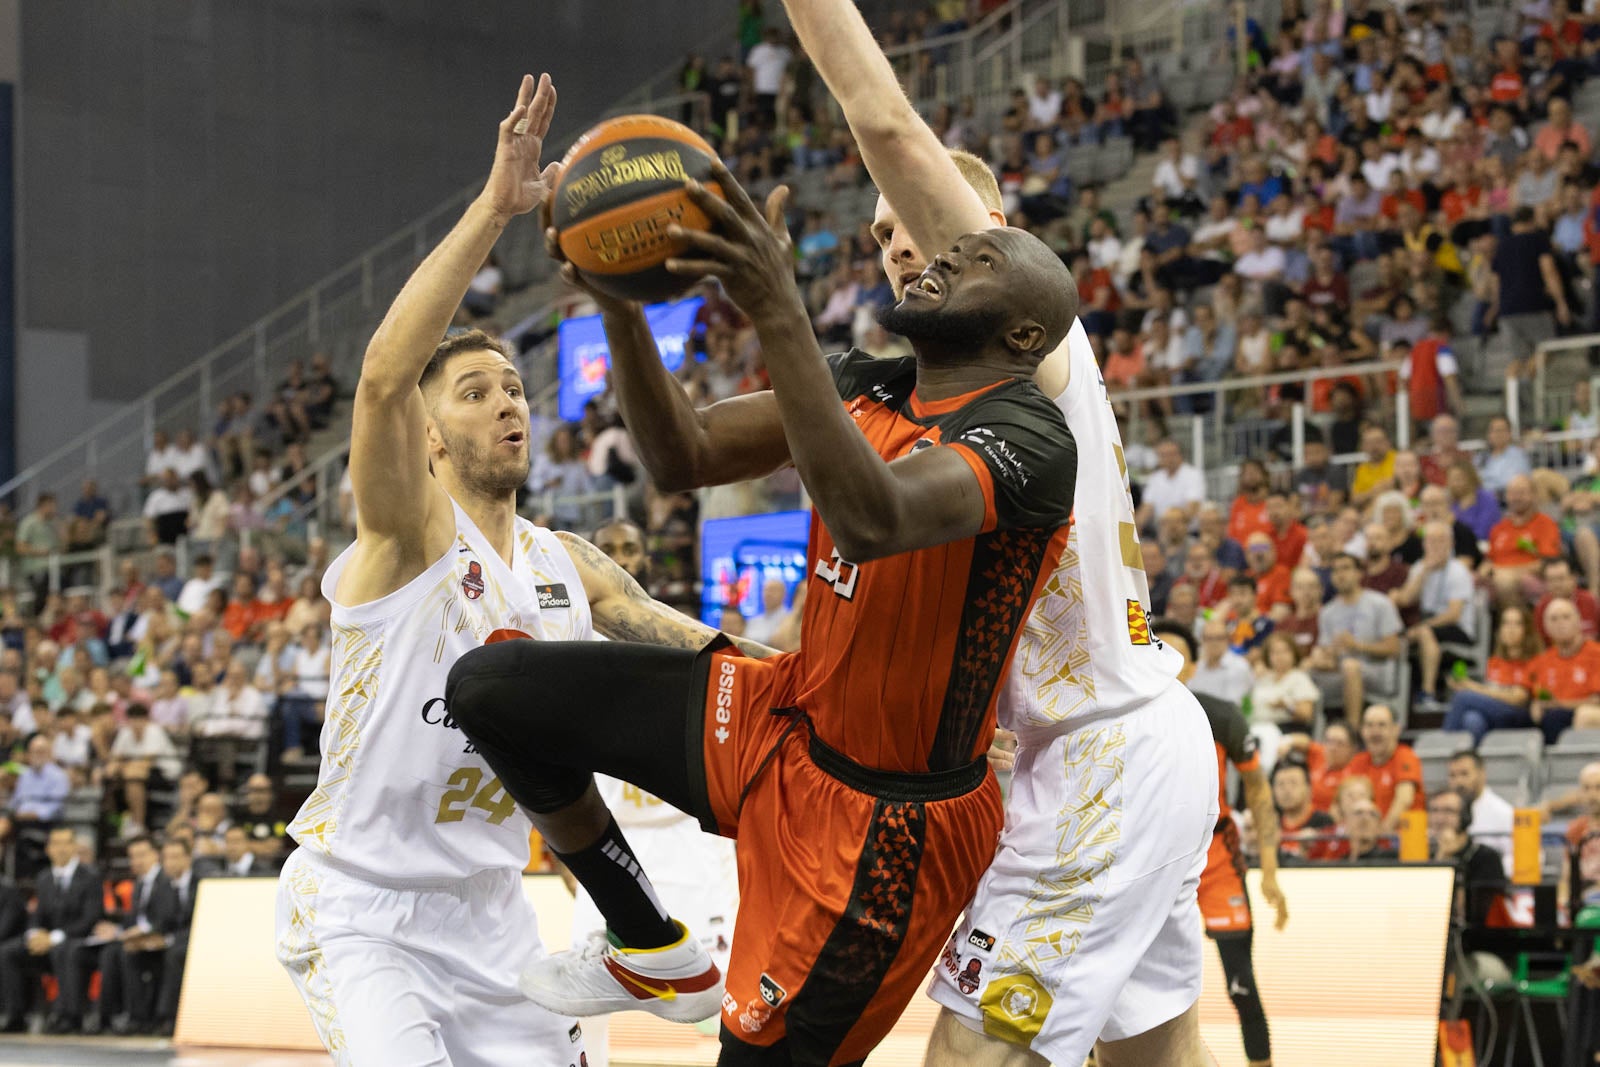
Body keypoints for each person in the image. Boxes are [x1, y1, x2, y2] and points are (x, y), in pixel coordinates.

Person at [454, 134, 1081, 1055]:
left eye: (971, 256)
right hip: (780, 714)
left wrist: (775, 301)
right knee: (491, 689)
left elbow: (873, 516)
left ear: (1022, 335)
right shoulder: (866, 382)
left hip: (885, 821)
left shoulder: (1029, 436)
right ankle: (647, 940)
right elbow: (683, 455)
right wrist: (617, 301)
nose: (927, 256)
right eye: (893, 239)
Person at [273, 76, 761, 1066]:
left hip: (496, 918)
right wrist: (495, 211)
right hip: (367, 911)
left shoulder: (567, 563)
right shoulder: (406, 537)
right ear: (428, 433)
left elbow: (706, 647)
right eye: (472, 390)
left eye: (513, 387)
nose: (507, 402)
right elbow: (377, 377)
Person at [568, 517, 741, 1064]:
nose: (621, 555)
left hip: (685, 837)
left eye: (630, 547)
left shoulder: (678, 637)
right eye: (609, 548)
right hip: (609, 837)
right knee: (579, 997)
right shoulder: (571, 643)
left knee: (721, 998)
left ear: (647, 559)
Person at [1153, 619, 1286, 1067]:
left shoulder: (1221, 715)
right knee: (1120, 982)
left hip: (1215, 862)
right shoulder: (1124, 718)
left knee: (1241, 986)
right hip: (1152, 862)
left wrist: (1269, 870)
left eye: (1177, 657)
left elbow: (1259, 791)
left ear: (1191, 668)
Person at [0, 827, 102, 1032]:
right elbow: (38, 915)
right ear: (48, 849)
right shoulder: (44, 877)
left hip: (77, 941)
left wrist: (55, 937)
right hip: (47, 941)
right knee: (8, 951)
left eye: (66, 843)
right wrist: (35, 933)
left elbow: (91, 918)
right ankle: (15, 1014)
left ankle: (69, 1016)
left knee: (64, 951)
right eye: (56, 843)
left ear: (74, 847)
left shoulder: (90, 877)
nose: (61, 848)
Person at [1306, 553, 1403, 716]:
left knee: (1350, 666)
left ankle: (1352, 732)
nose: (1340, 574)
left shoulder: (1379, 603)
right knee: (1303, 669)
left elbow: (1394, 648)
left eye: (1346, 568)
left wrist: (1356, 645)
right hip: (1340, 672)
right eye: (1335, 570)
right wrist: (1323, 656)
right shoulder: (1327, 612)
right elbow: (1327, 650)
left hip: (1377, 671)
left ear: (1359, 573)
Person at [1394, 521, 1478, 708]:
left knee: (1424, 633)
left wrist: (1423, 627)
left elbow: (1454, 614)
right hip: (1429, 624)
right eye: (1430, 541)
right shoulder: (1419, 567)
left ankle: (1428, 693)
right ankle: (1403, 700)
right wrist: (1425, 570)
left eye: (1441, 541)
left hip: (1459, 629)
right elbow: (1406, 599)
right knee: (1396, 636)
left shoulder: (1458, 571)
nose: (1435, 546)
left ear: (1451, 544)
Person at [1442, 605, 1540, 744]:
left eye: (1517, 624)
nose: (1510, 629)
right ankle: (1471, 761)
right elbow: (1493, 691)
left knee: (1463, 697)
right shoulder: (1495, 661)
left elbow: (1519, 698)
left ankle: (1445, 749)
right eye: (1506, 623)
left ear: (1527, 630)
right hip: (1496, 712)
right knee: (1473, 720)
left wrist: (1473, 687)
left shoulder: (1534, 661)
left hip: (1520, 715)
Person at [1521, 598, 1600, 743]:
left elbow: (1596, 701)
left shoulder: (1596, 654)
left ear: (1578, 620)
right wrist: (1536, 704)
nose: (1560, 623)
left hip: (1581, 715)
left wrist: (1559, 704)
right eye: (1553, 619)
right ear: (1545, 627)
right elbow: (1536, 695)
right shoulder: (1542, 661)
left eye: (1566, 617)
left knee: (1556, 716)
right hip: (1551, 718)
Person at [1347, 704, 1425, 833]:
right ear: (1362, 731)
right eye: (1369, 725)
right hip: (1367, 840)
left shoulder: (1405, 756)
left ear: (1396, 729)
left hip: (1401, 838)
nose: (1375, 732)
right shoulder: (1358, 761)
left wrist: (1381, 833)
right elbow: (1344, 800)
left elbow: (1404, 800)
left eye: (1382, 725)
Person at [1446, 751, 1515, 873]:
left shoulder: (1503, 813)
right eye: (1452, 775)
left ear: (1482, 774)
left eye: (1464, 774)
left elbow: (1516, 857)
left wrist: (1488, 869)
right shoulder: (1442, 813)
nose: (1458, 782)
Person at [1273, 761, 1337, 863]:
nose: (1286, 790)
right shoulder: (1271, 825)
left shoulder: (1324, 822)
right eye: (1281, 784)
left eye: (1293, 783)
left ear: (1308, 789)